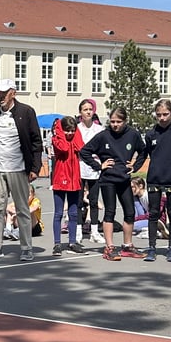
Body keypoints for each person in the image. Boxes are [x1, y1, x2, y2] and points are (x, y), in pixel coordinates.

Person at [0, 78, 44, 261]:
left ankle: (26, 248)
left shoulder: (26, 112)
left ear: (13, 93)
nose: (0, 96)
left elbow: (36, 141)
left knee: (22, 209)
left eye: (4, 93)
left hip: (18, 168)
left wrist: (35, 167)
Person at [80, 106, 147, 260]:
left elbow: (143, 151)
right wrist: (99, 166)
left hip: (124, 178)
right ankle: (109, 248)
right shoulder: (103, 136)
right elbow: (84, 151)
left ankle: (127, 246)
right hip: (108, 179)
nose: (115, 125)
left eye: (118, 122)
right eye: (112, 121)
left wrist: (135, 166)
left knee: (130, 212)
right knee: (110, 212)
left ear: (125, 121)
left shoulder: (133, 134)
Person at [142, 99, 171, 262]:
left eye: (165, 114)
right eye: (159, 115)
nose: (162, 118)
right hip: (154, 178)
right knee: (153, 213)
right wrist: (132, 166)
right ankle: (152, 247)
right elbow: (145, 154)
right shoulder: (152, 133)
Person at [49, 115, 86, 255]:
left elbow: (81, 146)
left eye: (72, 130)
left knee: (73, 213)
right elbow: (63, 148)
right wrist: (58, 129)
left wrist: (76, 131)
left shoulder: (75, 139)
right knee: (58, 213)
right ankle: (57, 243)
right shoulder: (57, 139)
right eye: (67, 130)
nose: (70, 133)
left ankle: (72, 241)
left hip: (74, 180)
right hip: (60, 179)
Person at [76, 98, 104, 244]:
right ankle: (78, 231)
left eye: (90, 109)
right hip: (80, 166)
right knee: (79, 200)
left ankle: (94, 231)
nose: (88, 112)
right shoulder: (77, 129)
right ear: (80, 112)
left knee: (94, 200)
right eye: (85, 109)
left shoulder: (99, 129)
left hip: (95, 166)